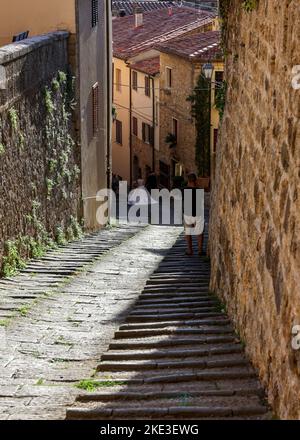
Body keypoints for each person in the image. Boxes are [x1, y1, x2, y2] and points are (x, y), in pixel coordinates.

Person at [182, 173, 205, 256]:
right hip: (198, 212)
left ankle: (190, 250)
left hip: (188, 213)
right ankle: (200, 250)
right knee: (200, 232)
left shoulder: (184, 190)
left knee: (188, 232)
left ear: (188, 180)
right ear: (195, 180)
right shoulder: (199, 190)